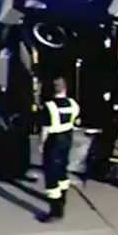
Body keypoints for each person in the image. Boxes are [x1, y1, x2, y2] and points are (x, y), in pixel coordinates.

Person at [38, 77, 80, 223]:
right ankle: (63, 197)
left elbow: (45, 129)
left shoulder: (49, 107)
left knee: (52, 176)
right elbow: (75, 119)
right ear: (65, 89)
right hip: (67, 140)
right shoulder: (73, 104)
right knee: (62, 170)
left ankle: (56, 211)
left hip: (53, 142)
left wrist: (41, 144)